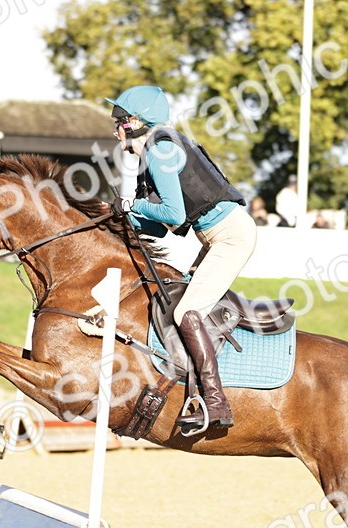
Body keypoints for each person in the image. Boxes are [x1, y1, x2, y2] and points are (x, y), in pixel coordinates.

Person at [107, 85, 254, 430]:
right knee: (178, 297)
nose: (114, 129)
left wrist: (131, 205)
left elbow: (172, 214)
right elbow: (158, 229)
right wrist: (118, 219)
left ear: (135, 123)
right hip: (217, 238)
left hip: (230, 238)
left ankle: (216, 403)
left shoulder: (160, 152)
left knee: (188, 311)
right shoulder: (154, 155)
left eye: (118, 120)